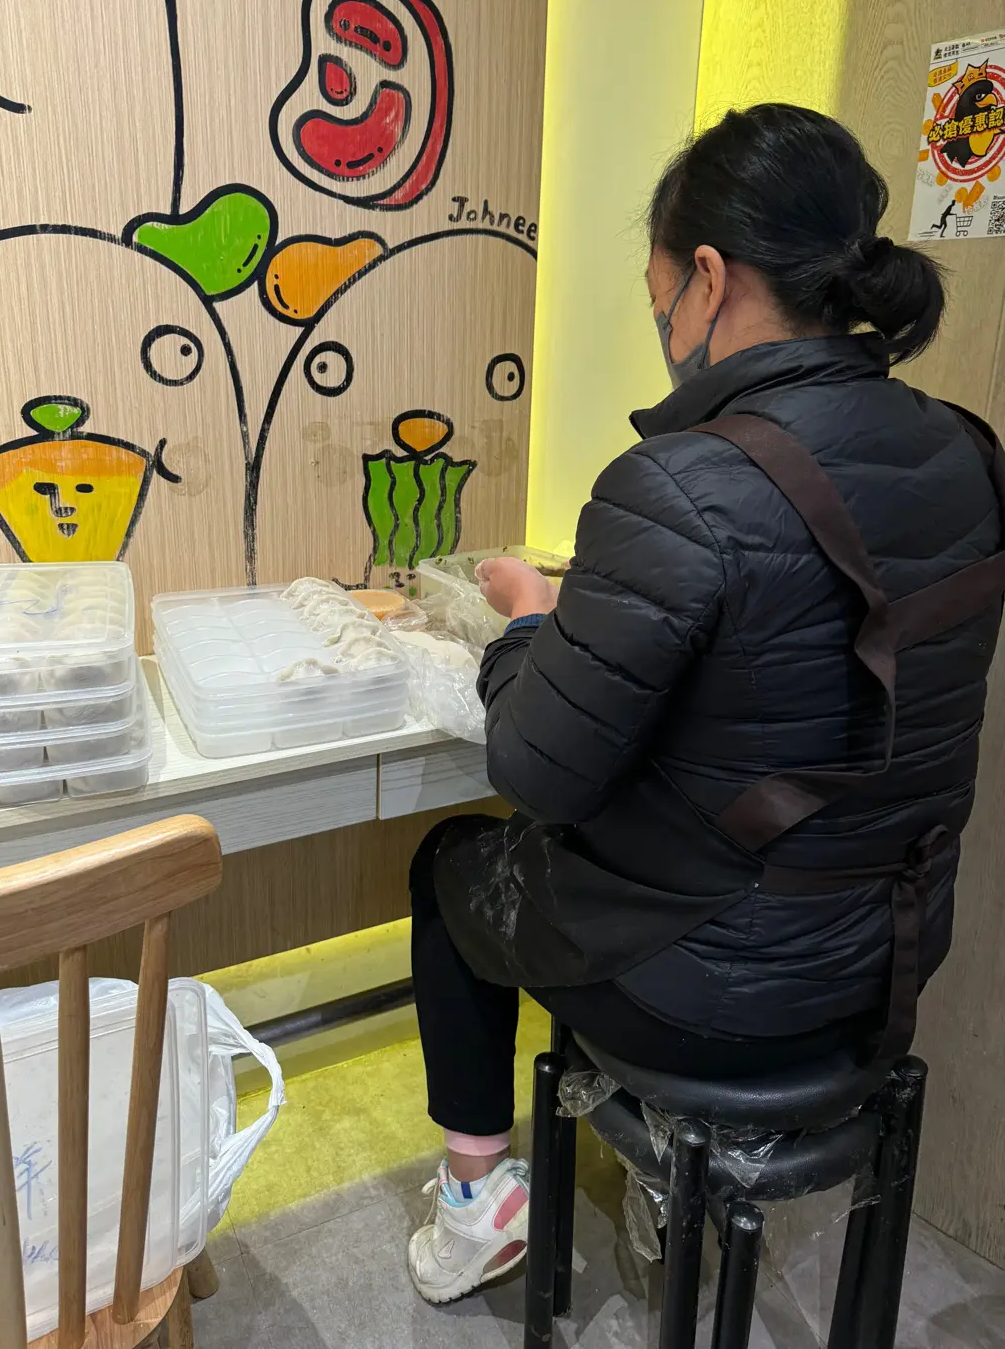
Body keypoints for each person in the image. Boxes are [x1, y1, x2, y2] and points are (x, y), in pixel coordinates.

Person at [406, 103, 1005, 1304]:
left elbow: (536, 769)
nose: (664, 329)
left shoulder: (681, 484)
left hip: (706, 990)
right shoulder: (967, 451)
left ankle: (478, 1203)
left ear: (711, 279)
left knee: (452, 865)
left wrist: (528, 621)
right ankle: (645, 1179)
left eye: (658, 296)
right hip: (887, 957)